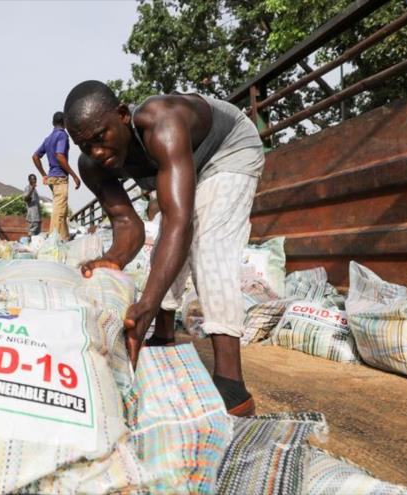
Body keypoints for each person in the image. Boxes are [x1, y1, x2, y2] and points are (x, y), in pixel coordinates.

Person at [64, 80, 265, 416]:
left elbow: (179, 222)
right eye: (85, 145)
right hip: (187, 165)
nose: (96, 152)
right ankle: (163, 334)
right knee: (163, 253)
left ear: (124, 116)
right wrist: (110, 262)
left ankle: (233, 387)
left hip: (228, 149)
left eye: (101, 137)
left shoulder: (162, 123)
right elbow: (130, 228)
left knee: (208, 246)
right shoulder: (91, 166)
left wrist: (146, 303)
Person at [32, 111, 81, 241]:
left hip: (52, 178)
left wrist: (44, 175)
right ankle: (52, 242)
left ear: (53, 123)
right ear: (65, 122)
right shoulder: (62, 136)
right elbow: (60, 156)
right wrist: (74, 175)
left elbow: (35, 156)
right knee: (59, 211)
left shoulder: (48, 139)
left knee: (62, 210)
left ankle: (65, 238)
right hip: (60, 178)